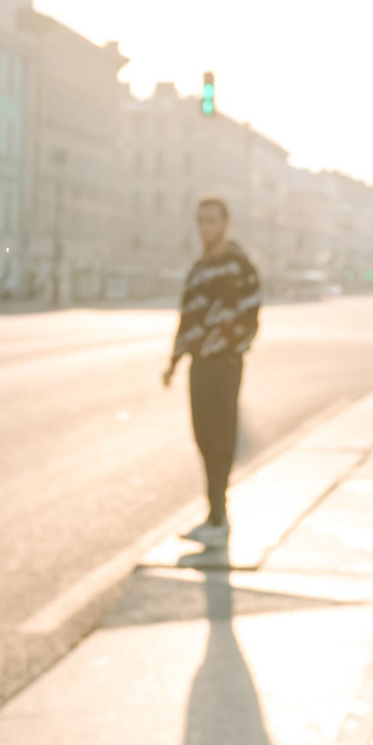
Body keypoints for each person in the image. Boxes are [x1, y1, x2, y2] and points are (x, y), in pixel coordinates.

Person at [163, 195, 261, 545]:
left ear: (225, 224)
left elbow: (251, 312)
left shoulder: (238, 266)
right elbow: (187, 316)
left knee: (222, 437)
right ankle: (214, 515)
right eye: (201, 221)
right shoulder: (199, 269)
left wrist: (232, 345)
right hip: (199, 365)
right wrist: (174, 360)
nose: (205, 228)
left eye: (211, 221)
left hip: (224, 364)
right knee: (204, 436)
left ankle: (219, 518)